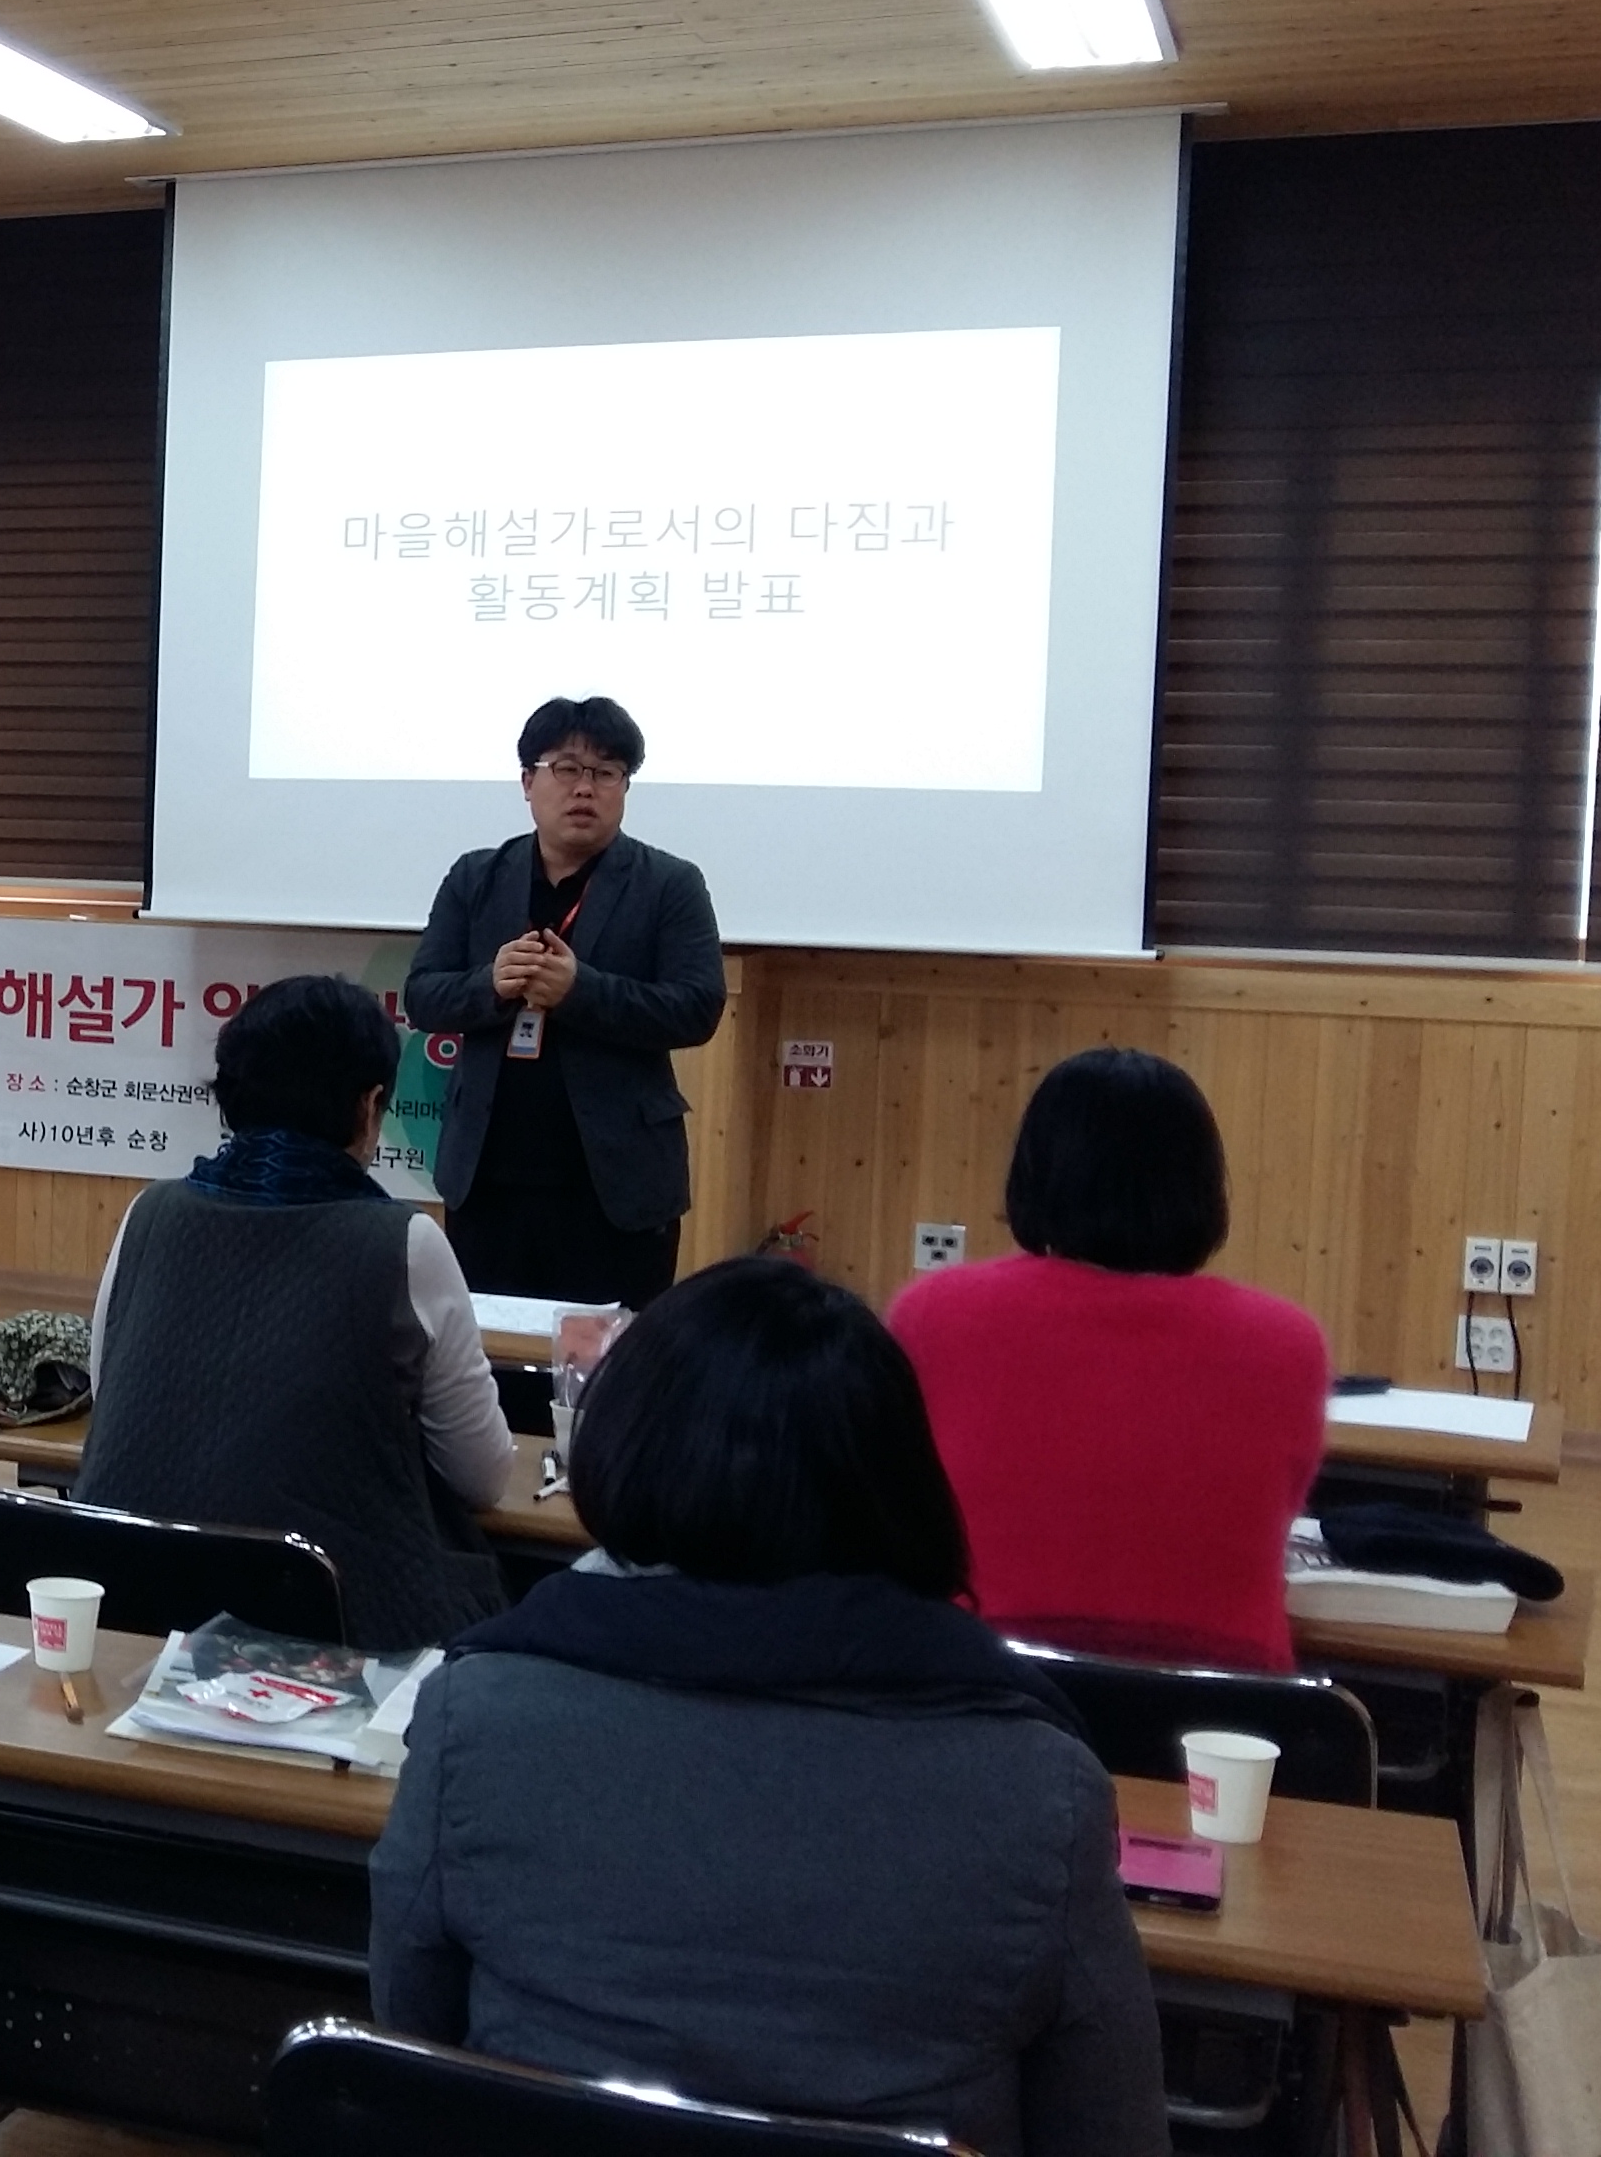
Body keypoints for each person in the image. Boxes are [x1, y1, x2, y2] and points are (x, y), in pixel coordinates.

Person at [370, 1258, 1164, 2156]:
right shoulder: (1039, 1788)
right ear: (898, 1479)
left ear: (624, 1445)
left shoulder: (474, 1720)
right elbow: (1112, 2131)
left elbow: (410, 2054)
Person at [75, 974, 521, 1651]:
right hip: (332, 1629)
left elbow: (109, 1392)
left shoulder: (150, 1212)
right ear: (369, 1105)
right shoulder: (405, 1242)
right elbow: (483, 1477)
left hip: (128, 1602)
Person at [889, 1048, 1330, 1672]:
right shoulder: (1288, 1343)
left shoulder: (933, 1314)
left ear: (1037, 1173)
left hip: (979, 1687)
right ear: (1203, 1187)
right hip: (1219, 1706)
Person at [402, 696, 725, 1308]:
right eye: (567, 769)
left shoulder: (669, 884)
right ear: (528, 782)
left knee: (613, 1361)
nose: (585, 788)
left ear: (625, 787)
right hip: (488, 1181)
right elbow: (423, 996)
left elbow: (697, 1007)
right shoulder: (475, 877)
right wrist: (490, 985)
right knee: (486, 1354)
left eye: (606, 772)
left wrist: (581, 992)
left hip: (615, 1190)